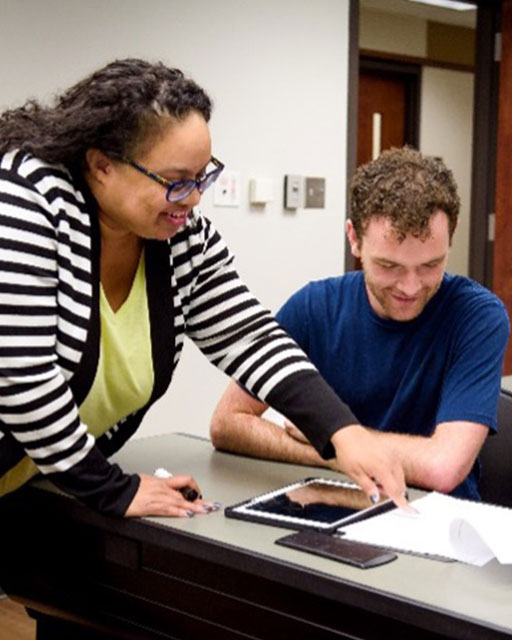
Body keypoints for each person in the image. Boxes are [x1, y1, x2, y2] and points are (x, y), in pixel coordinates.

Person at [0, 58, 408, 519]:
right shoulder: (26, 199)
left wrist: (343, 432)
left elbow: (250, 338)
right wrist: (113, 489)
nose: (194, 199)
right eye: (176, 182)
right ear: (101, 166)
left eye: (202, 176)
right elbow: (21, 375)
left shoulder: (180, 238)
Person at [211, 147, 510, 501]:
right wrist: (336, 452)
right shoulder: (314, 307)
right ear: (354, 238)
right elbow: (227, 422)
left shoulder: (477, 317)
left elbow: (442, 467)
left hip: (432, 521)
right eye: (390, 266)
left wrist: (332, 437)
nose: (410, 287)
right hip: (330, 505)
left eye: (431, 265)